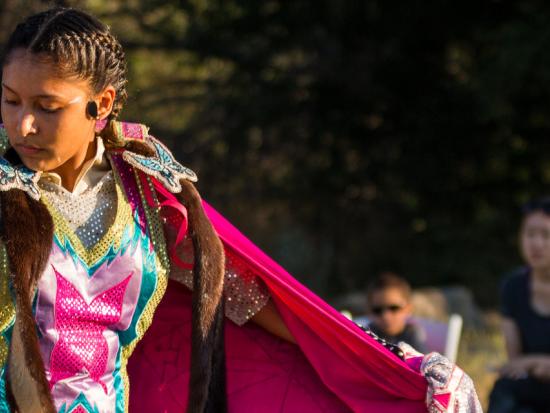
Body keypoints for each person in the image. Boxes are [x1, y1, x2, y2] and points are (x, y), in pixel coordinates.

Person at [0, 7, 481, 413]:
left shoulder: (145, 189)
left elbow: (232, 293)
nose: (24, 124)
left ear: (100, 105)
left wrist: (369, 356)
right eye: (10, 100)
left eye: (47, 106)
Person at [488, 198, 550, 413]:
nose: (536, 244)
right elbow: (516, 361)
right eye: (529, 234)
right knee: (504, 391)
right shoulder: (512, 286)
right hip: (532, 382)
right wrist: (537, 363)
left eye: (545, 235)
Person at [366, 272, 428, 353]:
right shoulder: (367, 335)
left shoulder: (412, 334)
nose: (386, 316)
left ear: (408, 308)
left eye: (394, 308)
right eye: (378, 310)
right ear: (369, 312)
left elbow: (423, 363)